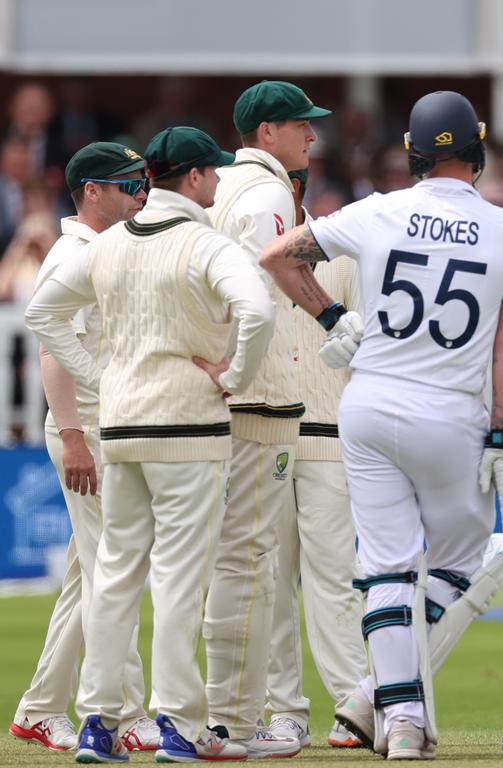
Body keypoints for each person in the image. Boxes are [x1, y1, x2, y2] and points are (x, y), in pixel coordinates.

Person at [260, 90, 503, 760]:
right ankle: (381, 701)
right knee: (463, 561)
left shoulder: (379, 210)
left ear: (412, 154)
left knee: (384, 568)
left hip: (371, 404)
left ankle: (399, 716)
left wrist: (333, 319)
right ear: (474, 151)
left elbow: (277, 256)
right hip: (450, 413)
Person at [24, 126, 275, 763]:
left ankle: (99, 725)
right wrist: (233, 377)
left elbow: (43, 314)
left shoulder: (106, 246)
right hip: (188, 431)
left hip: (123, 428)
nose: (218, 182)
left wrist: (101, 378)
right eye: (212, 173)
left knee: (113, 576)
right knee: (178, 581)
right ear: (192, 179)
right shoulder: (205, 243)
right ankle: (180, 727)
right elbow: (258, 311)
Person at [10, 142, 158, 754]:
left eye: (142, 184)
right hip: (86, 430)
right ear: (90, 192)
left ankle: (39, 708)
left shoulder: (111, 248)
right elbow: (50, 349)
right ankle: (127, 713)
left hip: (109, 426)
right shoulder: (72, 254)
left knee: (89, 575)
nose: (139, 196)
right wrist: (72, 433)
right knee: (113, 573)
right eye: (127, 186)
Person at [203, 80, 331, 758]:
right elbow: (263, 287)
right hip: (257, 401)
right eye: (300, 125)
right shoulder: (268, 193)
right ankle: (232, 722)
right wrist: (238, 375)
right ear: (267, 133)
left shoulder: (220, 188)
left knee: (234, 562)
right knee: (250, 566)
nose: (311, 137)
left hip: (230, 400)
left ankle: (226, 715)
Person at [264, 168, 367, 750]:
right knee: (272, 579)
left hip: (330, 432)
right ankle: (285, 712)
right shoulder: (241, 247)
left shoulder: (344, 255)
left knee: (334, 577)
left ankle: (355, 703)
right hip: (270, 428)